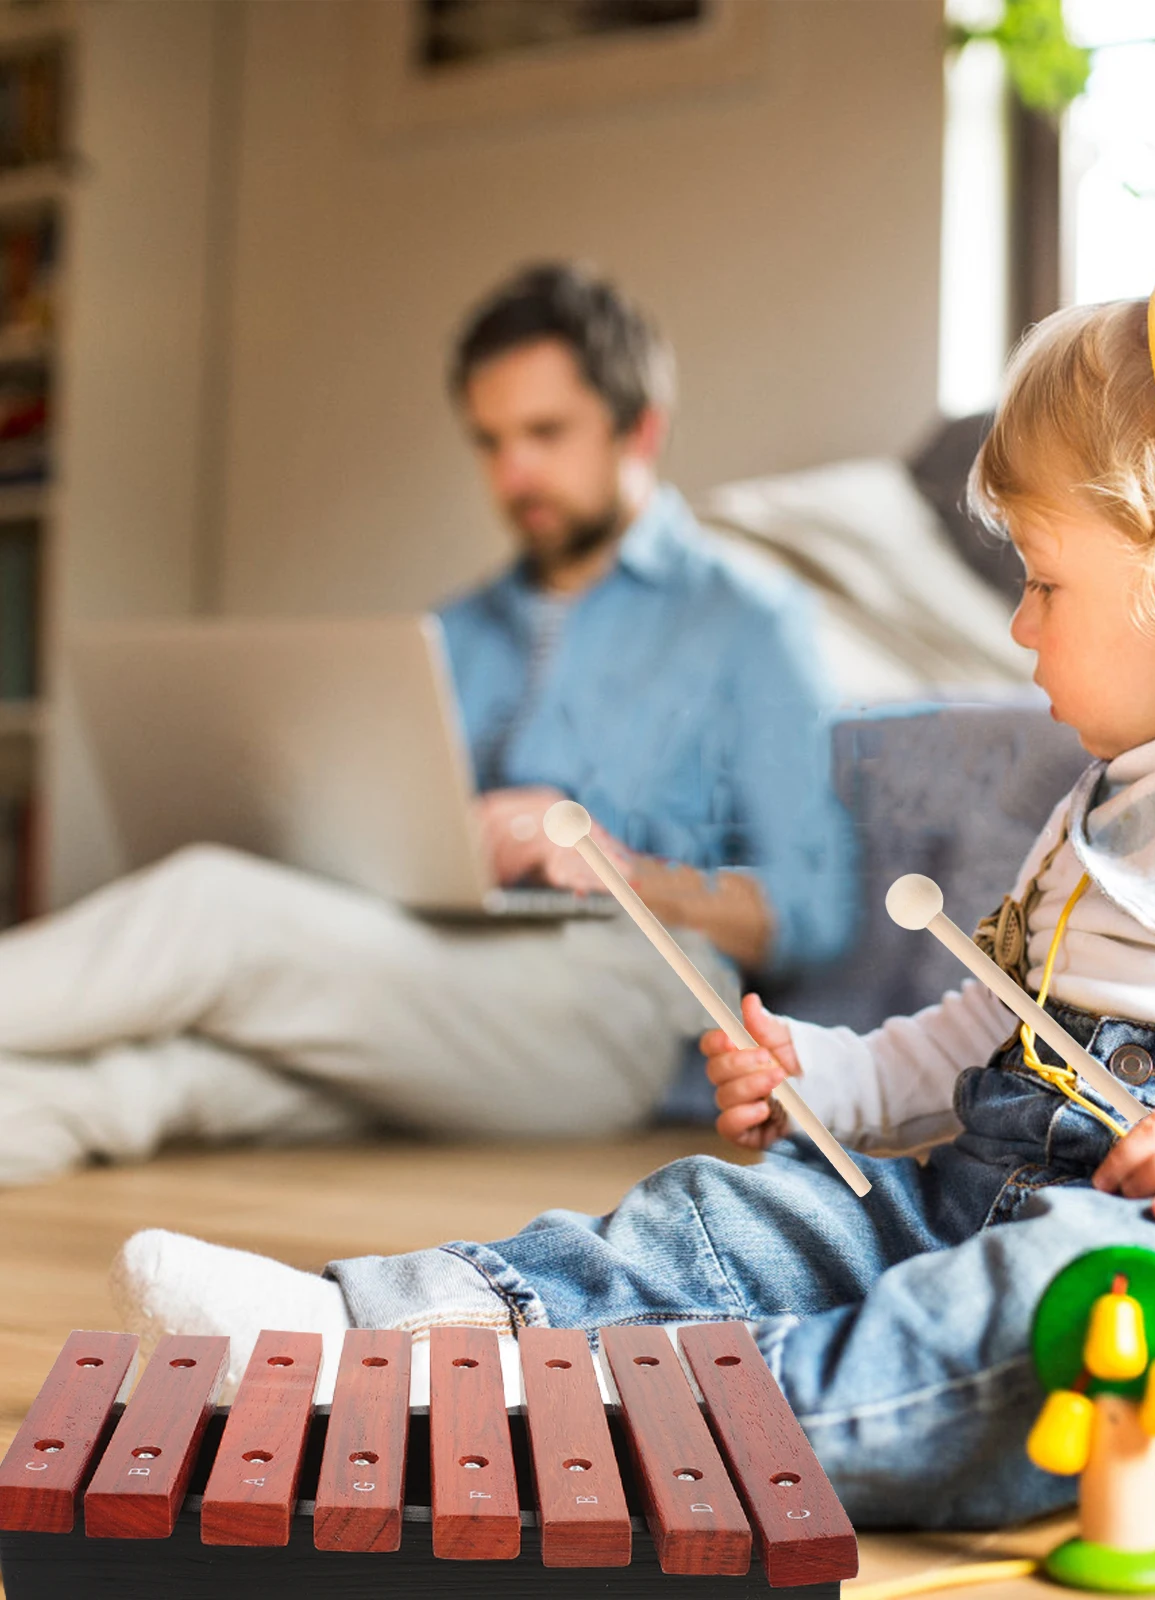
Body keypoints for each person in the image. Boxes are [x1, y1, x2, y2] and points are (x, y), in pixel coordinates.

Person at [110, 245, 1155, 1527]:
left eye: (1045, 583)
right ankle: (364, 1331)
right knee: (728, 1215)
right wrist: (832, 1072)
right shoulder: (1107, 806)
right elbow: (989, 1041)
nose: (1017, 628)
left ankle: (565, 1426)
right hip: (981, 1199)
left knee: (1053, 1306)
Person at [0, 263, 853, 1186]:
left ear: (639, 428)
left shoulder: (747, 621)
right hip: (432, 979)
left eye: (545, 434)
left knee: (212, 909)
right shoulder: (453, 630)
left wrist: (624, 871)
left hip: (614, 1010)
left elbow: (816, 910)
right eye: (489, 442)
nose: (513, 472)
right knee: (161, 1083)